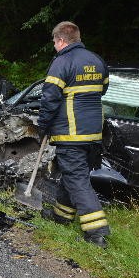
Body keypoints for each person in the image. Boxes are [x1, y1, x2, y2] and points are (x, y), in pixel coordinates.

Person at [37, 21, 111, 248]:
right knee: (71, 173)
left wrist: (43, 126)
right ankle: (61, 216)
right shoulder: (97, 61)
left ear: (60, 40)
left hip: (71, 132)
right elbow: (103, 89)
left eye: (54, 42)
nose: (54, 46)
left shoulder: (62, 62)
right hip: (93, 134)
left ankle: (97, 232)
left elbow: (49, 99)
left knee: (77, 178)